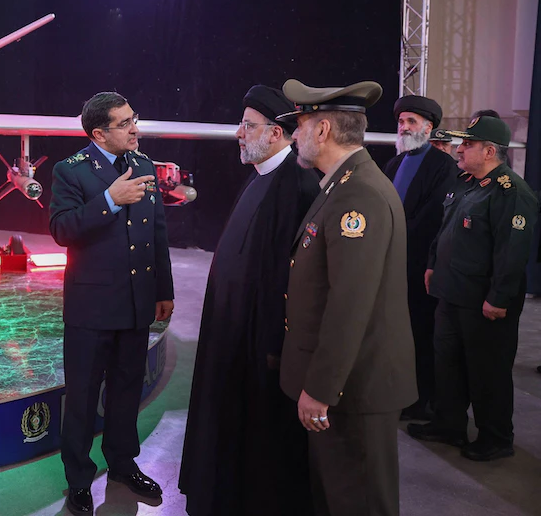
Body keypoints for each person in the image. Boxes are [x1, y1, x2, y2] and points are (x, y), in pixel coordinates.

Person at [277, 79, 417, 516]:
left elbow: (349, 305)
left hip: (352, 390)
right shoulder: (343, 184)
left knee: (358, 503)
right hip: (347, 386)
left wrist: (320, 388)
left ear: (323, 130)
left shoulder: (358, 194)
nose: (294, 136)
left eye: (300, 125)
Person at [179, 85, 319, 516]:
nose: (239, 133)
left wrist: (274, 347)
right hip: (233, 335)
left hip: (260, 345)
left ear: (276, 133)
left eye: (248, 126)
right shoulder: (260, 177)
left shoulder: (297, 183)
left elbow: (294, 278)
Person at [49, 91, 174, 515]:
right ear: (99, 134)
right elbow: (62, 229)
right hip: (91, 308)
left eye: (134, 118)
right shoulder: (70, 171)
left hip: (136, 303)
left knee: (126, 389)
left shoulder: (144, 165)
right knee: (82, 398)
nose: (134, 129)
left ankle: (122, 464)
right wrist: (108, 201)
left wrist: (163, 290)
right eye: (124, 123)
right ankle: (78, 479)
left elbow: (156, 232)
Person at [407, 116, 539, 461]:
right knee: (447, 364)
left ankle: (496, 437)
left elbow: (512, 252)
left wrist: (498, 298)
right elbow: (445, 229)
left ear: (490, 151)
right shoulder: (466, 183)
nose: (459, 150)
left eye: (467, 144)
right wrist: (433, 264)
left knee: (487, 370)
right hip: (451, 292)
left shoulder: (511, 192)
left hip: (483, 300)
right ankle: (448, 424)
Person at [383, 95, 459, 420]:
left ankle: (418, 400)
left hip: (417, 267)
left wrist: (392, 239)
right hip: (389, 265)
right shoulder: (393, 164)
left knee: (418, 333)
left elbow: (432, 219)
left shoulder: (443, 167)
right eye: (401, 122)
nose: (404, 127)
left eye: (411, 122)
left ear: (428, 128)